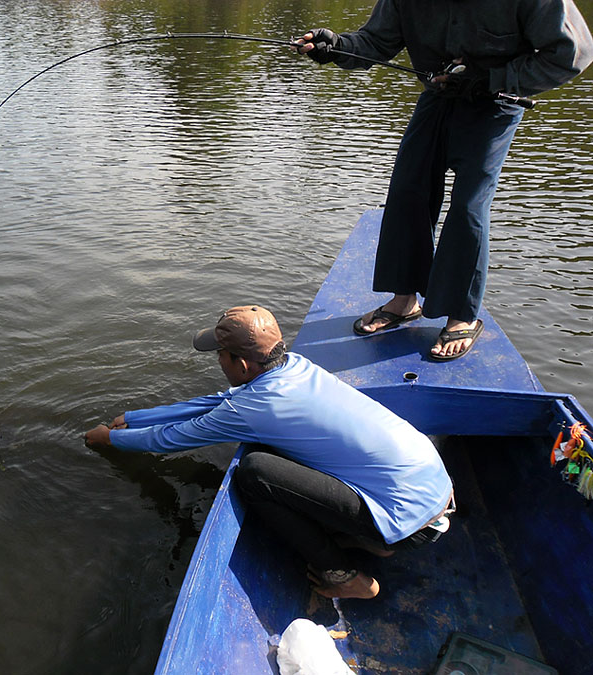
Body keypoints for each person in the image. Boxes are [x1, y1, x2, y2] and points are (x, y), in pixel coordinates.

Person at [84, 305, 454, 599]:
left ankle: (345, 576)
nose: (218, 361)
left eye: (221, 356)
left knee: (255, 470)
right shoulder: (296, 367)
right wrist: (134, 417)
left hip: (410, 518)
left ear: (241, 364)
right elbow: (217, 400)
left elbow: (167, 440)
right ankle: (373, 540)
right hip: (434, 489)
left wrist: (108, 439)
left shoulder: (254, 407)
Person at [292, 1, 593, 360]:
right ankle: (404, 302)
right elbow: (375, 43)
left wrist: (492, 80)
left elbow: (571, 54)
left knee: (468, 206)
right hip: (438, 95)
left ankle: (460, 316)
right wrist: (335, 47)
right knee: (407, 191)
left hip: (497, 101)